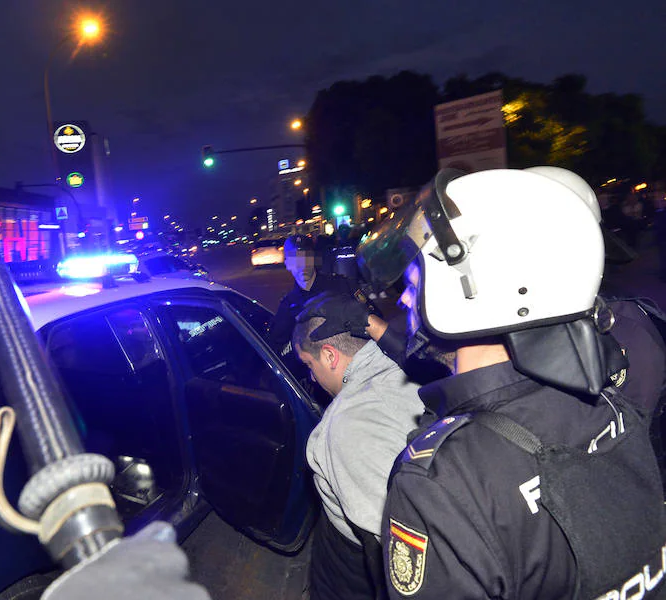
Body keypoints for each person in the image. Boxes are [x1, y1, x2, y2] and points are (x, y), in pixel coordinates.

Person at [353, 167, 666, 598]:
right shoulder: (613, 404)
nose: (405, 299)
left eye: (414, 282)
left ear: (470, 289)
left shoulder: (444, 478)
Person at [293, 292, 423, 600]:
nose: (312, 377)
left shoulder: (345, 430)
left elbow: (391, 553)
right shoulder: (410, 366)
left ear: (330, 356)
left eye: (309, 365)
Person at [266, 233, 358, 358]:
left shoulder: (340, 286)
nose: (302, 264)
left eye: (306, 256)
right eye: (295, 258)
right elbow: (276, 348)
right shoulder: (287, 307)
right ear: (287, 264)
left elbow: (371, 317)